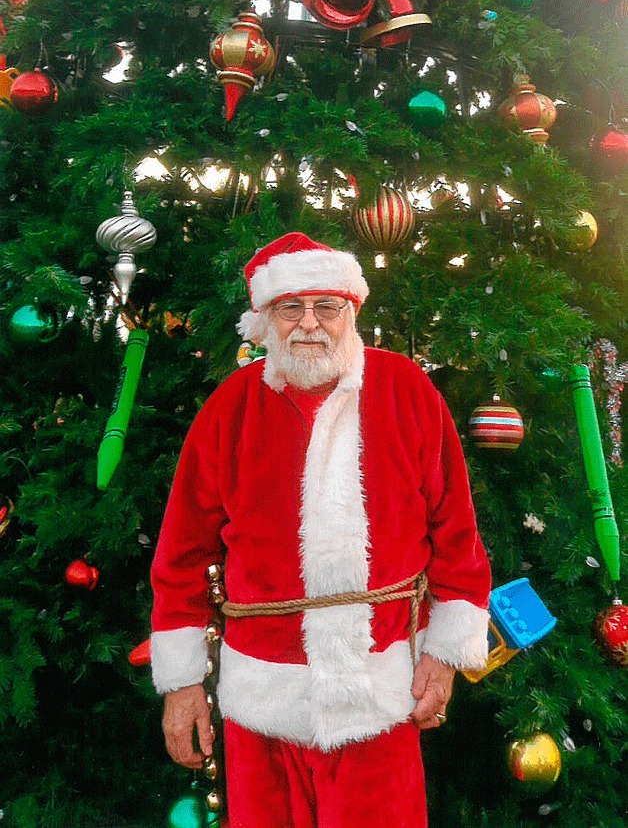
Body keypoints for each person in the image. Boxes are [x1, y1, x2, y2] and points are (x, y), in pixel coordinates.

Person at [151, 232, 491, 828]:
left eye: (325, 306)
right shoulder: (229, 408)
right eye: (291, 307)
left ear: (351, 312)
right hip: (262, 706)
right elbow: (181, 555)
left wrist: (444, 654)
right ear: (266, 318)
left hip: (380, 696)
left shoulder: (407, 391)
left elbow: (456, 533)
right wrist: (182, 685)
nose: (309, 324)